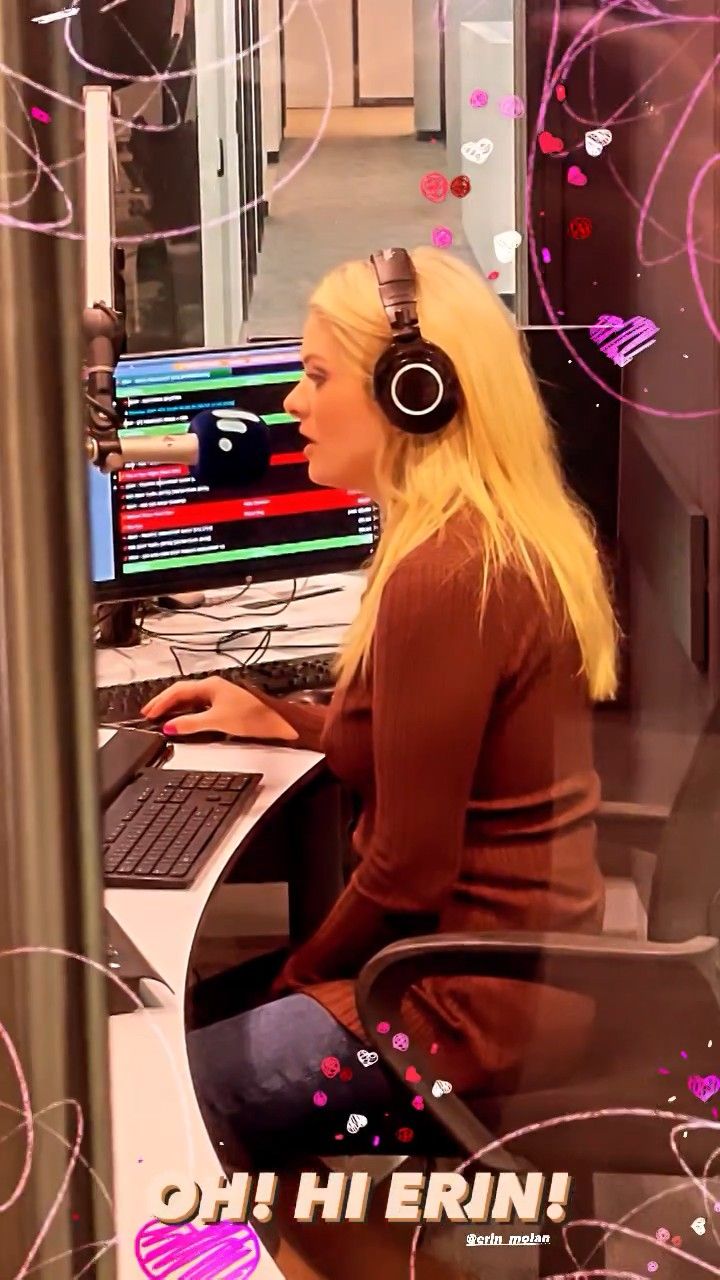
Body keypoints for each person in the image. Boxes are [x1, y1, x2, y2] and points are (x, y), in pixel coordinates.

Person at [141, 246, 618, 1170]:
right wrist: (284, 718)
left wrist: (297, 978)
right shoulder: (485, 537)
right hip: (509, 973)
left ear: (413, 394)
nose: (293, 402)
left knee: (146, 1087)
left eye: (317, 376)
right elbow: (440, 754)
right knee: (173, 1019)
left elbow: (405, 869)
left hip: (457, 1006)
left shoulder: (445, 576)